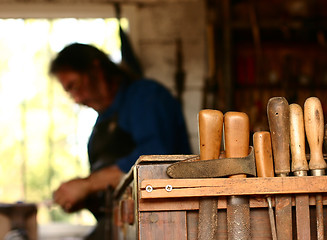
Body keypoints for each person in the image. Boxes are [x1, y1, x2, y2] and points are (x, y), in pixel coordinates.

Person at [50, 43, 191, 238]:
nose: (76, 99)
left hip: (163, 226)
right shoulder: (100, 126)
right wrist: (87, 198)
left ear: (95, 70)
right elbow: (112, 192)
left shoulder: (145, 96)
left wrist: (87, 185)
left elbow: (157, 163)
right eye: (69, 93)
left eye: (74, 86)